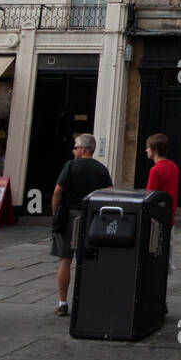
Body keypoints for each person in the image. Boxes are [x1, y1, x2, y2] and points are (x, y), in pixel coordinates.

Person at [50, 134, 112, 317]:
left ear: (84, 149)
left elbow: (57, 191)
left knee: (65, 259)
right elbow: (109, 193)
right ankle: (88, 300)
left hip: (69, 215)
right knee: (89, 260)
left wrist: (55, 213)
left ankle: (62, 302)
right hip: (91, 217)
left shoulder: (70, 166)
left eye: (76, 147)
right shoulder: (102, 169)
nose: (74, 150)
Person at [145, 133, 180, 278]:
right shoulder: (173, 166)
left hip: (157, 219)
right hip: (169, 216)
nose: (146, 150)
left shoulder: (156, 170)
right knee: (166, 253)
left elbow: (150, 196)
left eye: (148, 148)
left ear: (155, 150)